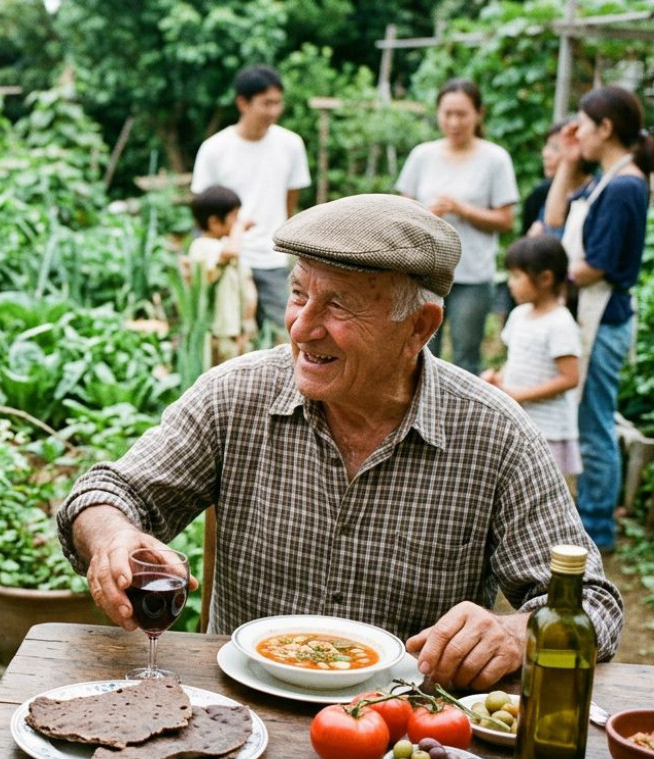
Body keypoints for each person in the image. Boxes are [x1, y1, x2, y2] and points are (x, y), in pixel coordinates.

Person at [56, 194, 622, 691]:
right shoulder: (236, 395)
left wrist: (512, 632)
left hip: (399, 738)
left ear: (420, 327)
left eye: (339, 305)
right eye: (299, 294)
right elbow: (106, 491)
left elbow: (593, 605)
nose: (302, 326)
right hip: (236, 722)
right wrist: (112, 535)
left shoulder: (494, 434)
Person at [542, 85, 654, 553]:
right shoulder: (603, 179)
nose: (578, 134)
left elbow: (599, 265)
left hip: (604, 319)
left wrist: (550, 279)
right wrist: (569, 160)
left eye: (584, 126)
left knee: (594, 425)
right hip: (587, 314)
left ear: (606, 128)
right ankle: (589, 524)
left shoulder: (626, 185)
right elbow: (553, 222)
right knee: (589, 419)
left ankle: (597, 531)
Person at [397, 78, 518, 375]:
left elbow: (505, 220)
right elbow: (401, 212)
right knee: (419, 350)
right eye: (447, 113)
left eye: (462, 114)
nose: (454, 122)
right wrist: (427, 213)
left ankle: (465, 419)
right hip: (424, 271)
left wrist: (462, 209)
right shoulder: (422, 155)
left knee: (466, 354)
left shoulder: (495, 159)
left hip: (472, 274)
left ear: (479, 114)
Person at [190, 65, 311, 342]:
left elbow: (290, 200)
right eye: (266, 103)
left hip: (272, 256)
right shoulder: (215, 149)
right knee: (229, 335)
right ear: (242, 103)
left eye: (278, 102)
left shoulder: (291, 145)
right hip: (229, 259)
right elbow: (202, 209)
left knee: (286, 334)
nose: (273, 111)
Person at [482, 236, 582, 481]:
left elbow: (570, 378)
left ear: (545, 278)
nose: (511, 284)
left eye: (517, 277)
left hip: (548, 427)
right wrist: (498, 379)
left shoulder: (560, 323)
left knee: (542, 488)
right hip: (521, 419)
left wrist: (518, 396)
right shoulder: (519, 315)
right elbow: (515, 358)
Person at [185, 185, 257, 363]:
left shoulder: (223, 244)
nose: (237, 221)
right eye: (234, 217)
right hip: (221, 332)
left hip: (236, 330)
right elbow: (229, 253)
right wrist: (239, 229)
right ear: (215, 222)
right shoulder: (201, 246)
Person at [521, 120, 589, 239]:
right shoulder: (540, 193)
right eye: (547, 146)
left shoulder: (595, 193)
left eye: (556, 148)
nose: (545, 154)